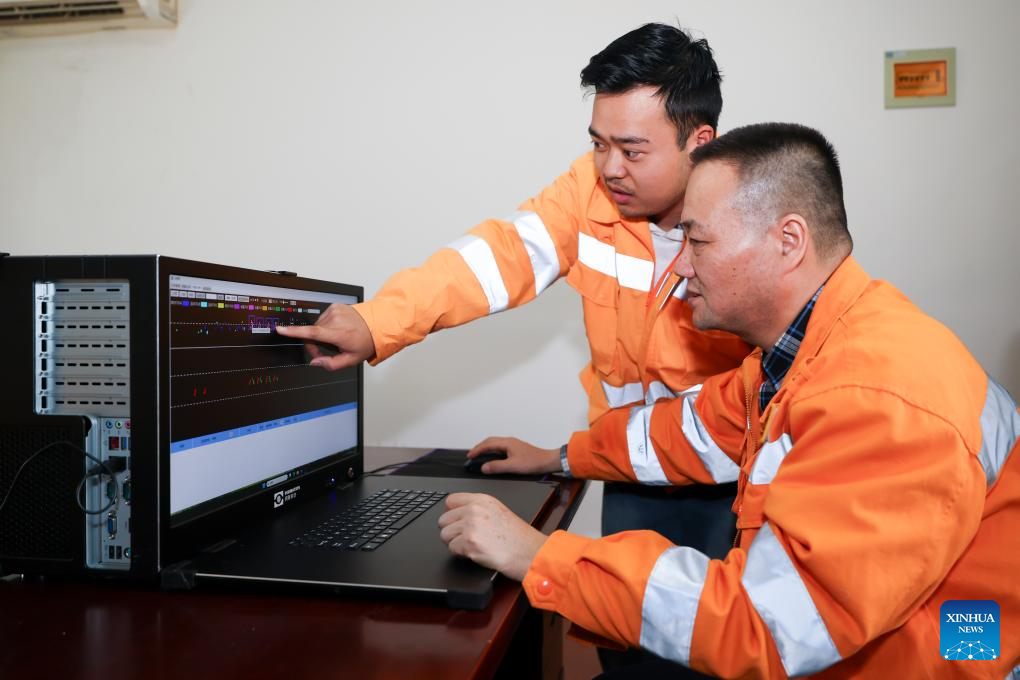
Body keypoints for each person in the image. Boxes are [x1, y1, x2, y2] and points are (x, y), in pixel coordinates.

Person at [437, 122, 1020, 679]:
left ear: (788, 241)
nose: (679, 267)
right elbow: (692, 431)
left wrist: (540, 557)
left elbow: (762, 627)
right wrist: (560, 457)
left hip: (945, 659)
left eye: (697, 240)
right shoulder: (809, 349)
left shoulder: (878, 399)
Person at [279, 26, 749, 561]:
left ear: (699, 143)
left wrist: (568, 457)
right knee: (611, 608)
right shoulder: (589, 190)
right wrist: (376, 322)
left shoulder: (750, 221)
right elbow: (498, 257)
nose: (610, 168)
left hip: (727, 483)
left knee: (707, 614)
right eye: (599, 144)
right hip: (627, 472)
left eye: (632, 151)